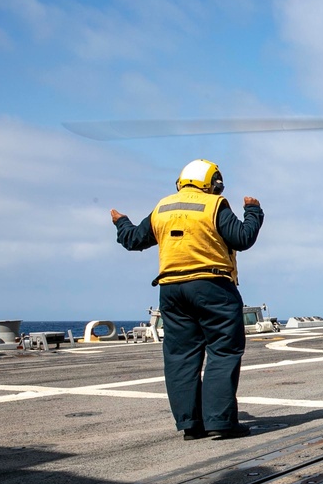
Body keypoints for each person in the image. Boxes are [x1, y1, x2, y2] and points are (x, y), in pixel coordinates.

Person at [111, 159, 264, 441]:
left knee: (180, 357)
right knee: (223, 352)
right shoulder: (214, 206)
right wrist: (253, 211)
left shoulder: (163, 208)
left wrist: (122, 223)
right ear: (213, 183)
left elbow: (134, 239)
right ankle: (220, 421)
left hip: (171, 291)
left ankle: (190, 424)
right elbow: (242, 237)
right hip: (212, 286)